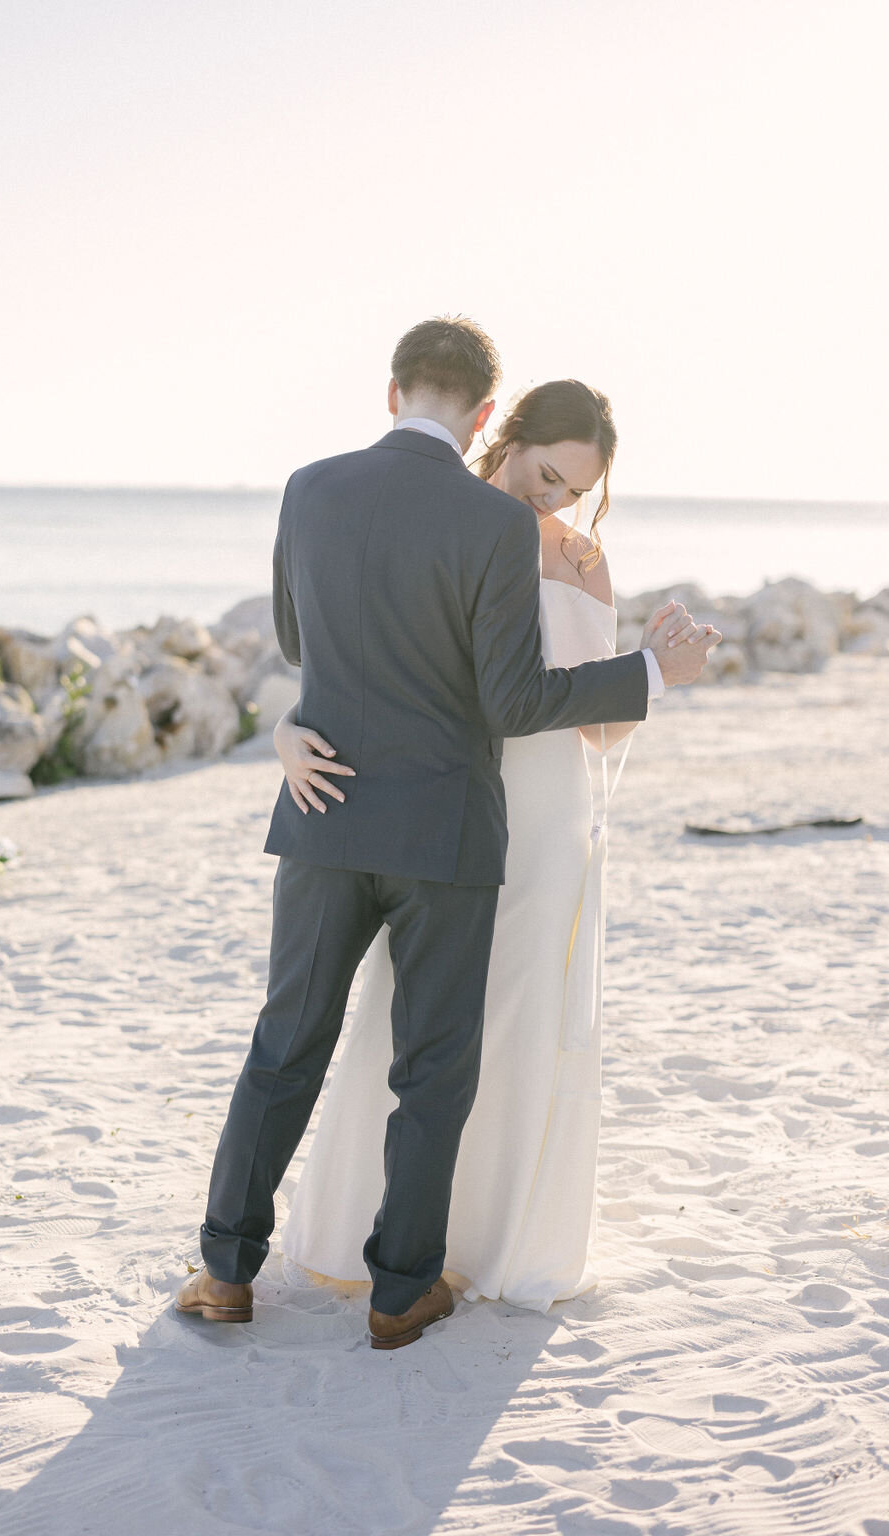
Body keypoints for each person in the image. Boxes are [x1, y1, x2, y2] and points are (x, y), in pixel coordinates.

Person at [177, 318, 718, 1349]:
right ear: (483, 415)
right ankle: (397, 1294)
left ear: (390, 393)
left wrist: (293, 725)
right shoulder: (495, 529)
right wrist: (652, 673)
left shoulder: (308, 488)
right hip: (447, 835)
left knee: (283, 1049)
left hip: (326, 815)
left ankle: (224, 1273)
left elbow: (301, 643)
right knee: (432, 1069)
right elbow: (511, 701)